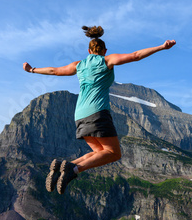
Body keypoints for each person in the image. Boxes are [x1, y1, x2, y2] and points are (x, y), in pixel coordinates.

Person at [23, 25, 176, 194]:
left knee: (100, 153)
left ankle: (63, 167)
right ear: (104, 50)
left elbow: (55, 71)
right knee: (114, 153)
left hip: (80, 115)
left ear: (89, 51)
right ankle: (72, 170)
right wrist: (161, 47)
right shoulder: (106, 61)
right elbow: (135, 56)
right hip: (97, 112)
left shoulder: (79, 65)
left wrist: (32, 70)